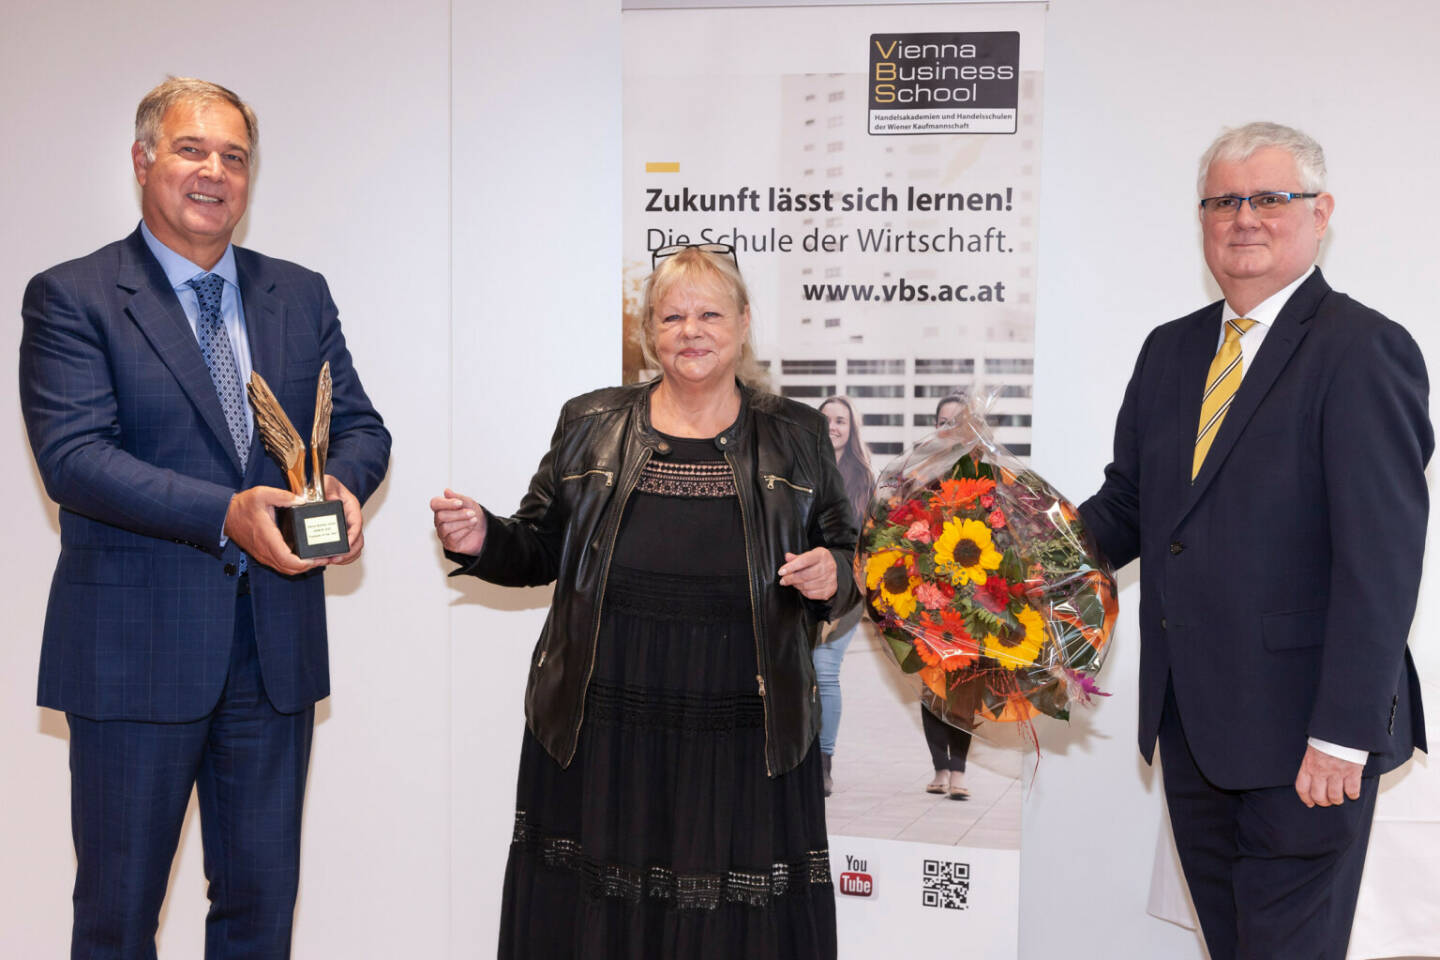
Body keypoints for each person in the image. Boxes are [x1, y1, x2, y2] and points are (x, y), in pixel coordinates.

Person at [18, 77, 391, 958]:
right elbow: (75, 458)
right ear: (144, 160)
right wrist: (227, 512)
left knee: (259, 917)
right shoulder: (73, 296)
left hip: (274, 658)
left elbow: (364, 428)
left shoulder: (297, 294)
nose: (214, 172)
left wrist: (340, 484)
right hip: (132, 657)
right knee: (116, 920)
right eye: (192, 150)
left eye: (234, 157)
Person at [431, 244, 858, 959]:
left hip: (744, 724)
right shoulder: (591, 422)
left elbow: (850, 553)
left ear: (744, 323)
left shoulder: (798, 433)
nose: (692, 330)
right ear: (649, 333)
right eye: (673, 316)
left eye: (710, 313)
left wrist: (834, 576)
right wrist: (483, 539)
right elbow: (541, 546)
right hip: (605, 718)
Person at [1078, 122, 1430, 960]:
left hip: (1306, 737)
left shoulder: (1363, 348)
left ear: (1320, 214)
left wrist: (1343, 732)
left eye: (1270, 199)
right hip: (1193, 726)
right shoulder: (1170, 351)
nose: (1245, 218)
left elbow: (1381, 560)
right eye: (1224, 201)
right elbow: (1130, 506)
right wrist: (1009, 562)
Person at [811, 396, 875, 796]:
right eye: (827, 420)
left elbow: (867, 542)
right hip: (798, 585)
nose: (833, 426)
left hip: (845, 592)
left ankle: (824, 764)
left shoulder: (863, 477)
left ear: (851, 431)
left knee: (824, 671)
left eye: (841, 421)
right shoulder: (799, 464)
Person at [921, 395, 975, 800]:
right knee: (929, 685)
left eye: (957, 421)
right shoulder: (921, 469)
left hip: (972, 598)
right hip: (925, 594)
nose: (949, 427)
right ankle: (940, 768)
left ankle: (959, 772)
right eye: (943, 420)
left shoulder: (985, 469)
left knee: (963, 687)